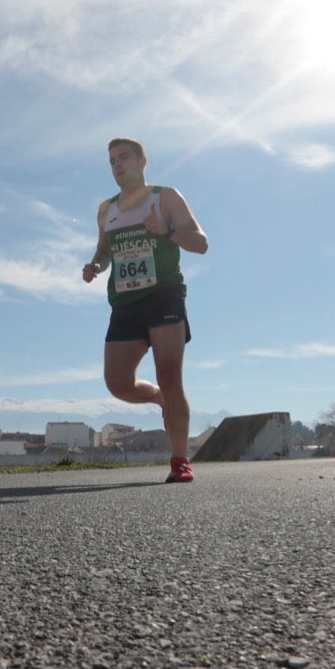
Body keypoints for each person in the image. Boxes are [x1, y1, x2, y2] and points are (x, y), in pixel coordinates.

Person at [82, 137, 208, 483]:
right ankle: (159, 399)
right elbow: (104, 250)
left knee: (171, 376)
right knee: (117, 382)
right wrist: (95, 265)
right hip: (125, 302)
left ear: (142, 161)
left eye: (124, 158)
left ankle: (180, 460)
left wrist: (167, 231)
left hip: (164, 295)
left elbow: (201, 243)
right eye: (112, 161)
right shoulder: (106, 210)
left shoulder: (165, 197)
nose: (118, 165)